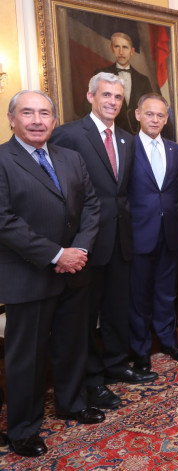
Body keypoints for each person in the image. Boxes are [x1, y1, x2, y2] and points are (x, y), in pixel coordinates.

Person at [0, 90, 103, 457]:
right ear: (11, 119)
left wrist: (79, 251)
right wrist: (57, 254)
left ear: (54, 121)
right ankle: (23, 429)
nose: (37, 120)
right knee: (27, 358)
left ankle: (71, 403)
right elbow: (4, 220)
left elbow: (92, 206)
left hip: (74, 271)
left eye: (44, 113)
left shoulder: (70, 157)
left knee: (71, 344)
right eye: (27, 113)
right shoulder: (2, 160)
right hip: (28, 275)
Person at [51, 72, 157, 412]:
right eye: (106, 95)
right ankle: (92, 378)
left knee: (116, 309)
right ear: (91, 96)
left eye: (117, 96)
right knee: (84, 316)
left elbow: (122, 193)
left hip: (121, 240)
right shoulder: (68, 135)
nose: (112, 101)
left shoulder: (126, 139)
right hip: (85, 243)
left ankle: (115, 364)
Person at [128, 93, 178, 370]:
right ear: (138, 115)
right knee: (139, 295)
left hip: (170, 232)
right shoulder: (126, 148)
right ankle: (140, 350)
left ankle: (168, 340)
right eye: (149, 114)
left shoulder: (177, 151)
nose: (155, 119)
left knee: (166, 292)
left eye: (160, 115)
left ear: (166, 119)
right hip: (138, 233)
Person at [93, 33, 154, 135]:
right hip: (109, 134)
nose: (121, 52)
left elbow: (150, 110)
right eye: (117, 47)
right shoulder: (100, 75)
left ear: (132, 51)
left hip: (136, 136)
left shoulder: (143, 80)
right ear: (112, 49)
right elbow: (91, 106)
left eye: (125, 47)